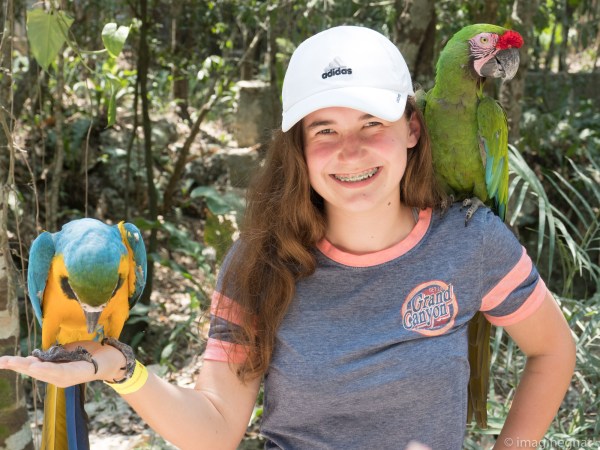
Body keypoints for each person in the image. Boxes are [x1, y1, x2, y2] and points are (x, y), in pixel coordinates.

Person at [0, 25, 575, 450]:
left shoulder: (471, 240)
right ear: (298, 147)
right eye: (325, 130)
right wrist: (119, 368)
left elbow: (553, 350)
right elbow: (215, 430)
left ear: (412, 128)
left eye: (372, 123)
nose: (350, 151)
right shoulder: (259, 263)